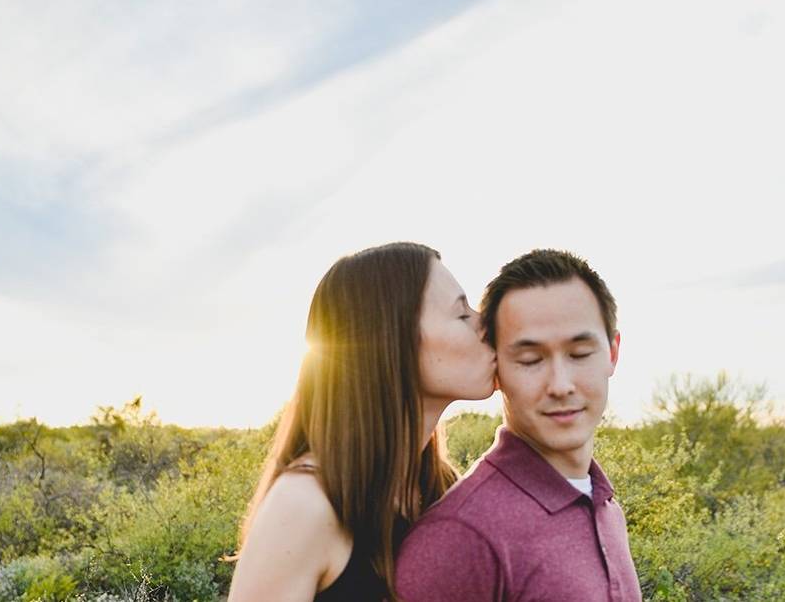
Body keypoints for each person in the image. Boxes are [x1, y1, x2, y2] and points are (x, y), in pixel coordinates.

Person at [227, 242, 496, 602]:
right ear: (392, 339)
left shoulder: (438, 488)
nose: (486, 325)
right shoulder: (304, 506)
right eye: (462, 314)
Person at [395, 248, 642, 602]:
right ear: (496, 368)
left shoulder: (603, 504)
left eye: (579, 354)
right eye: (530, 360)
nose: (560, 385)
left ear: (612, 353)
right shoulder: (461, 537)